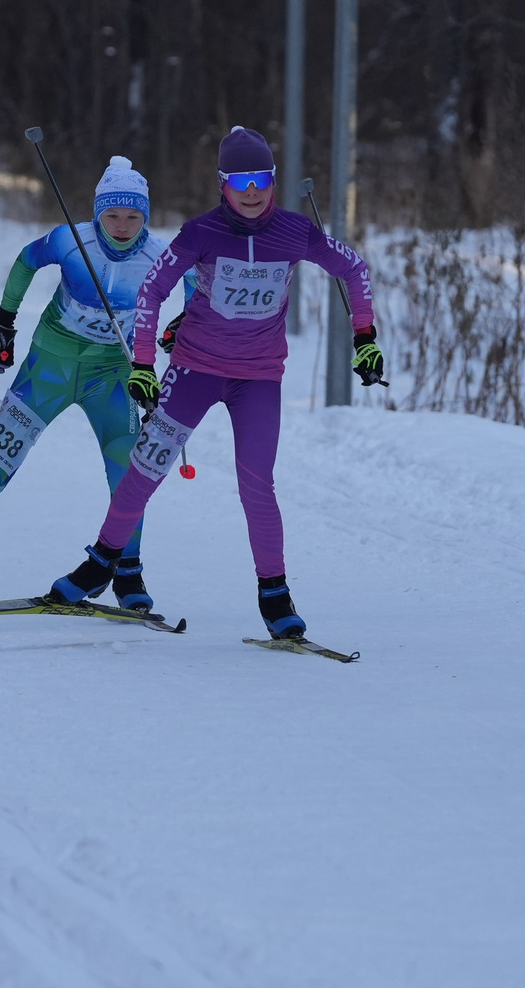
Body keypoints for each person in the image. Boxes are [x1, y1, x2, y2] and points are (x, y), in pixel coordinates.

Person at [44, 126, 384, 641]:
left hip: (258, 378)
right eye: (240, 181)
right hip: (194, 371)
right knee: (145, 469)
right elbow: (153, 291)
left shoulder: (296, 232)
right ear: (223, 183)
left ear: (273, 180)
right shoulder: (200, 232)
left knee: (258, 485)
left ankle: (275, 595)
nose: (252, 191)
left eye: (261, 179)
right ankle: (99, 565)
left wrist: (365, 337)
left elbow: (354, 269)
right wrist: (143, 364)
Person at [0, 156, 191, 620]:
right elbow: (26, 261)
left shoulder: (161, 255)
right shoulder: (70, 240)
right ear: (97, 213)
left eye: (133, 216)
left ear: (146, 215)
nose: (122, 226)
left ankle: (128, 573)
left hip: (111, 376)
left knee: (127, 474)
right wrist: (4, 322)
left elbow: (196, 282)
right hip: (48, 368)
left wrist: (185, 322)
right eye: (112, 215)